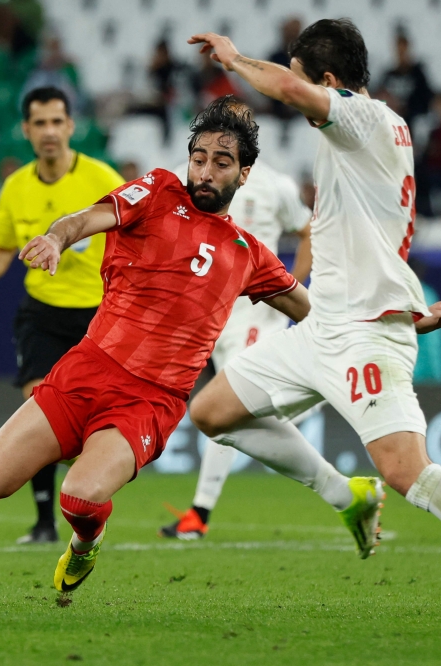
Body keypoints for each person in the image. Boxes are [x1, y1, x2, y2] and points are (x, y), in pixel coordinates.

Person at [187, 20, 441, 631]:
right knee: (212, 412)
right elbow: (371, 227)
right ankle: (348, 495)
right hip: (325, 325)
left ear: (328, 81)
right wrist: (411, 312)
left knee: (406, 470)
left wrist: (235, 60)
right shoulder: (373, 131)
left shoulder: (364, 118)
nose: (295, 94)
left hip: (364, 333)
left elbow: (296, 97)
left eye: (301, 80)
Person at [0, 96, 360, 590]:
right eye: (199, 159)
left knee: (81, 500)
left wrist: (404, 324)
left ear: (244, 173)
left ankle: (86, 541)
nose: (206, 172)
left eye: (222, 162)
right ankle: (84, 451)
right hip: (85, 369)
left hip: (150, 399)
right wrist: (56, 239)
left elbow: (316, 314)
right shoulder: (155, 191)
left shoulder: (249, 254)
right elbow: (83, 219)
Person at [0, 87, 124, 545]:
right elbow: (2, 245)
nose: (50, 131)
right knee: (39, 405)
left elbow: (132, 231)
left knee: (91, 422)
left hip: (98, 315)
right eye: (41, 123)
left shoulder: (101, 177)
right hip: (42, 313)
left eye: (58, 122)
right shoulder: (16, 187)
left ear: (71, 126)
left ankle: (89, 497)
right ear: (27, 131)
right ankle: (42, 522)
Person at [160, 106, 314, 539]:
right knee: (232, 410)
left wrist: (289, 287)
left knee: (227, 406)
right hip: (205, 307)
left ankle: (199, 515)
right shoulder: (186, 173)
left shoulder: (274, 184)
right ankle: (321, 399)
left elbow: (308, 230)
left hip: (253, 309)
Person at [378, 33, 433, 131]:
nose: (401, 54)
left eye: (403, 51)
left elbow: (426, 100)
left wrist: (408, 108)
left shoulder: (418, 74)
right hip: (391, 121)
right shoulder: (389, 75)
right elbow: (380, 99)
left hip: (413, 121)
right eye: (399, 51)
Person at [408, 258, 441, 385]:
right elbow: (433, 343)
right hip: (419, 378)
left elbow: (433, 341)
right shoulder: (428, 294)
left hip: (415, 378)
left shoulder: (428, 295)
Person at [267, 17, 303, 119]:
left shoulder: (306, 59)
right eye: (289, 33)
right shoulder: (275, 58)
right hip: (277, 106)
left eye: (294, 33)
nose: (291, 36)